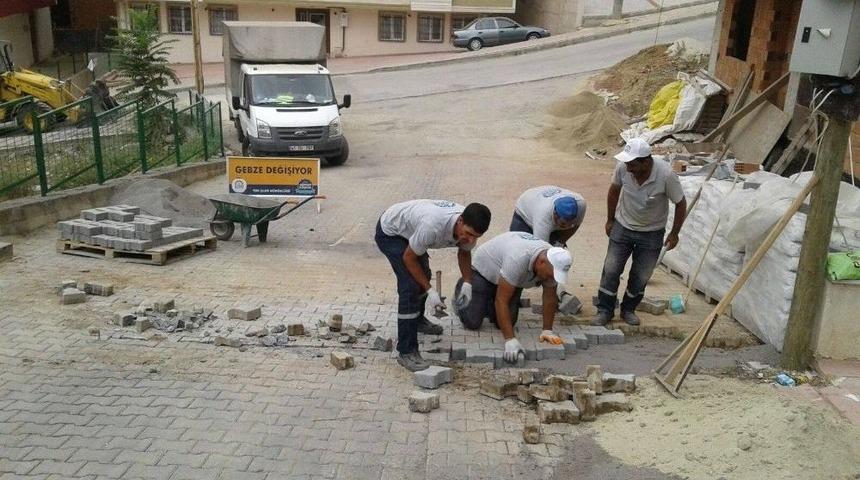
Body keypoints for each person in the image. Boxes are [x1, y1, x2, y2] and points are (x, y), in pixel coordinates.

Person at [376, 200, 492, 371]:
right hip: (391, 231)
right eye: (468, 234)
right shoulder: (433, 226)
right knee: (410, 286)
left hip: (413, 231)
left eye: (476, 237)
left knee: (424, 275)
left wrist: (468, 282)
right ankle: (406, 351)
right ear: (460, 220)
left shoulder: (470, 228)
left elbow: (464, 253)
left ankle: (417, 321)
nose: (470, 240)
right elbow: (409, 258)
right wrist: (430, 291)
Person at [593, 138, 687, 326]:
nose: (628, 168)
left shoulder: (666, 175)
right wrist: (610, 219)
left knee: (641, 275)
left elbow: (681, 203)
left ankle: (628, 310)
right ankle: (605, 310)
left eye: (633, 165)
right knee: (611, 269)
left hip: (652, 233)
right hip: (623, 226)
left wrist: (674, 233)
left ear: (646, 162)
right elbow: (614, 191)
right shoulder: (623, 167)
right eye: (627, 164)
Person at [453, 232, 572, 365]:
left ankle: (489, 301)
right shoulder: (518, 258)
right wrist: (510, 340)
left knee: (506, 322)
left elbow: (550, 296)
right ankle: (465, 287)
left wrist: (547, 330)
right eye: (550, 276)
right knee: (472, 321)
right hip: (484, 272)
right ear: (541, 262)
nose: (551, 279)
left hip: (510, 278)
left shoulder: (552, 261)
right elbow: (501, 301)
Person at [510, 186, 587, 247]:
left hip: (541, 199)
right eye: (563, 224)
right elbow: (540, 250)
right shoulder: (542, 220)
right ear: (555, 214)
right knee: (520, 249)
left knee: (558, 253)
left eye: (570, 224)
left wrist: (560, 243)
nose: (567, 226)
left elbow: (575, 226)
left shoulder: (580, 205)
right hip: (525, 208)